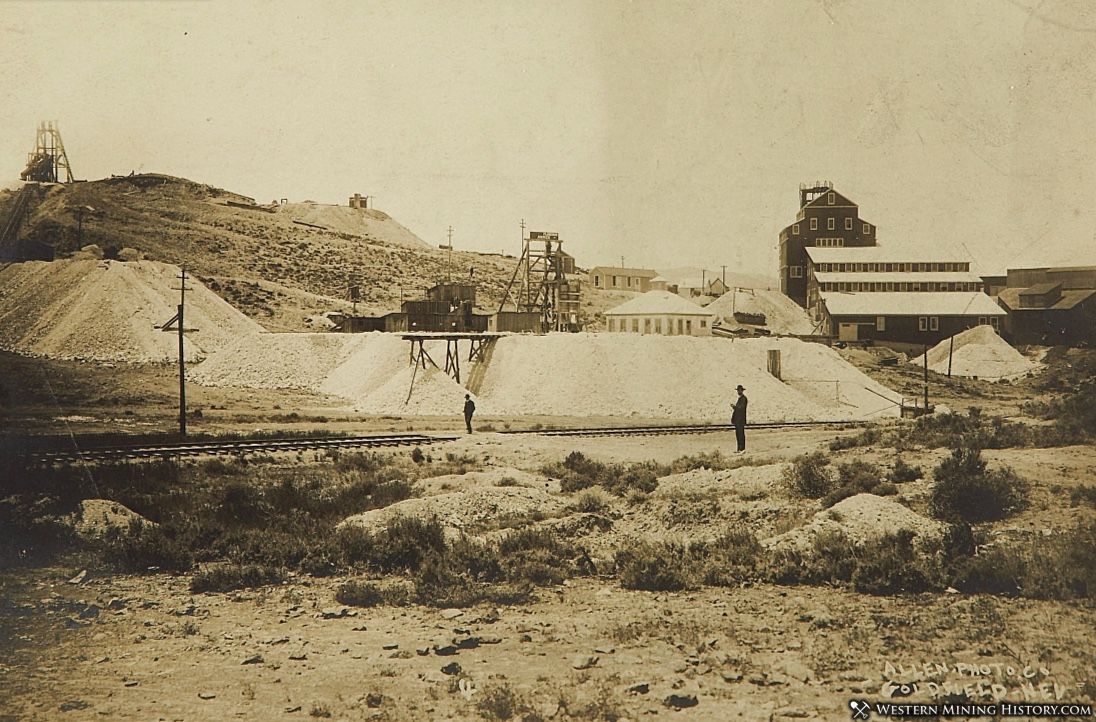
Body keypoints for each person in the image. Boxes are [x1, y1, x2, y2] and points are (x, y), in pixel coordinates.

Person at [731, 384, 748, 453]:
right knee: (738, 434)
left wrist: (734, 407)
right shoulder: (740, 398)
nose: (738, 392)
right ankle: (739, 449)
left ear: (742, 391)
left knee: (741, 434)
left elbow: (741, 408)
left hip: (740, 420)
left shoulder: (744, 399)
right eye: (738, 390)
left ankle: (742, 449)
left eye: (739, 390)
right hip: (737, 420)